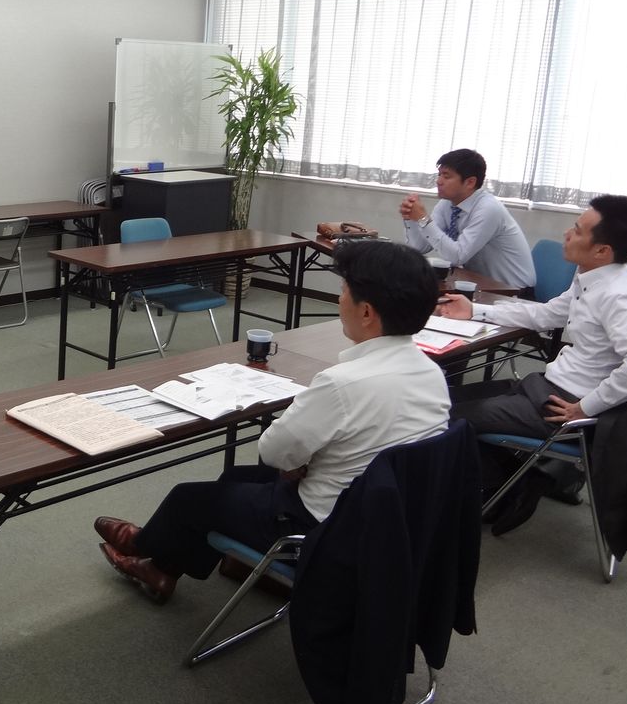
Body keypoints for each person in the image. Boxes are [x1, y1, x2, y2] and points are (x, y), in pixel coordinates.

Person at [94, 242, 450, 603]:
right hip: (387, 523)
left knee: (188, 498)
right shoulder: (431, 374)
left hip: (319, 527)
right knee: (235, 479)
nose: (339, 299)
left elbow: (273, 452)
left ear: (367, 312)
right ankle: (179, 567)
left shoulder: (343, 383)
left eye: (344, 291)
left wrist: (298, 462)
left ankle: (144, 547)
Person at [441, 194, 627, 536]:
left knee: (444, 417)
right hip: (544, 388)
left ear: (601, 251)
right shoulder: (591, 278)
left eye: (577, 230)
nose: (567, 233)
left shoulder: (619, 296)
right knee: (443, 399)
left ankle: (512, 483)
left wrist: (586, 407)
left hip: (563, 406)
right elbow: (546, 314)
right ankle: (523, 477)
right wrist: (475, 310)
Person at [400, 148, 536, 294]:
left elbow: (457, 256)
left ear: (470, 182)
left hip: (513, 292)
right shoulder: (447, 204)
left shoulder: (488, 209)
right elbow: (419, 248)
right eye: (439, 175)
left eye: (446, 176)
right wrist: (411, 220)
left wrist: (423, 219)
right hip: (480, 285)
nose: (438, 181)